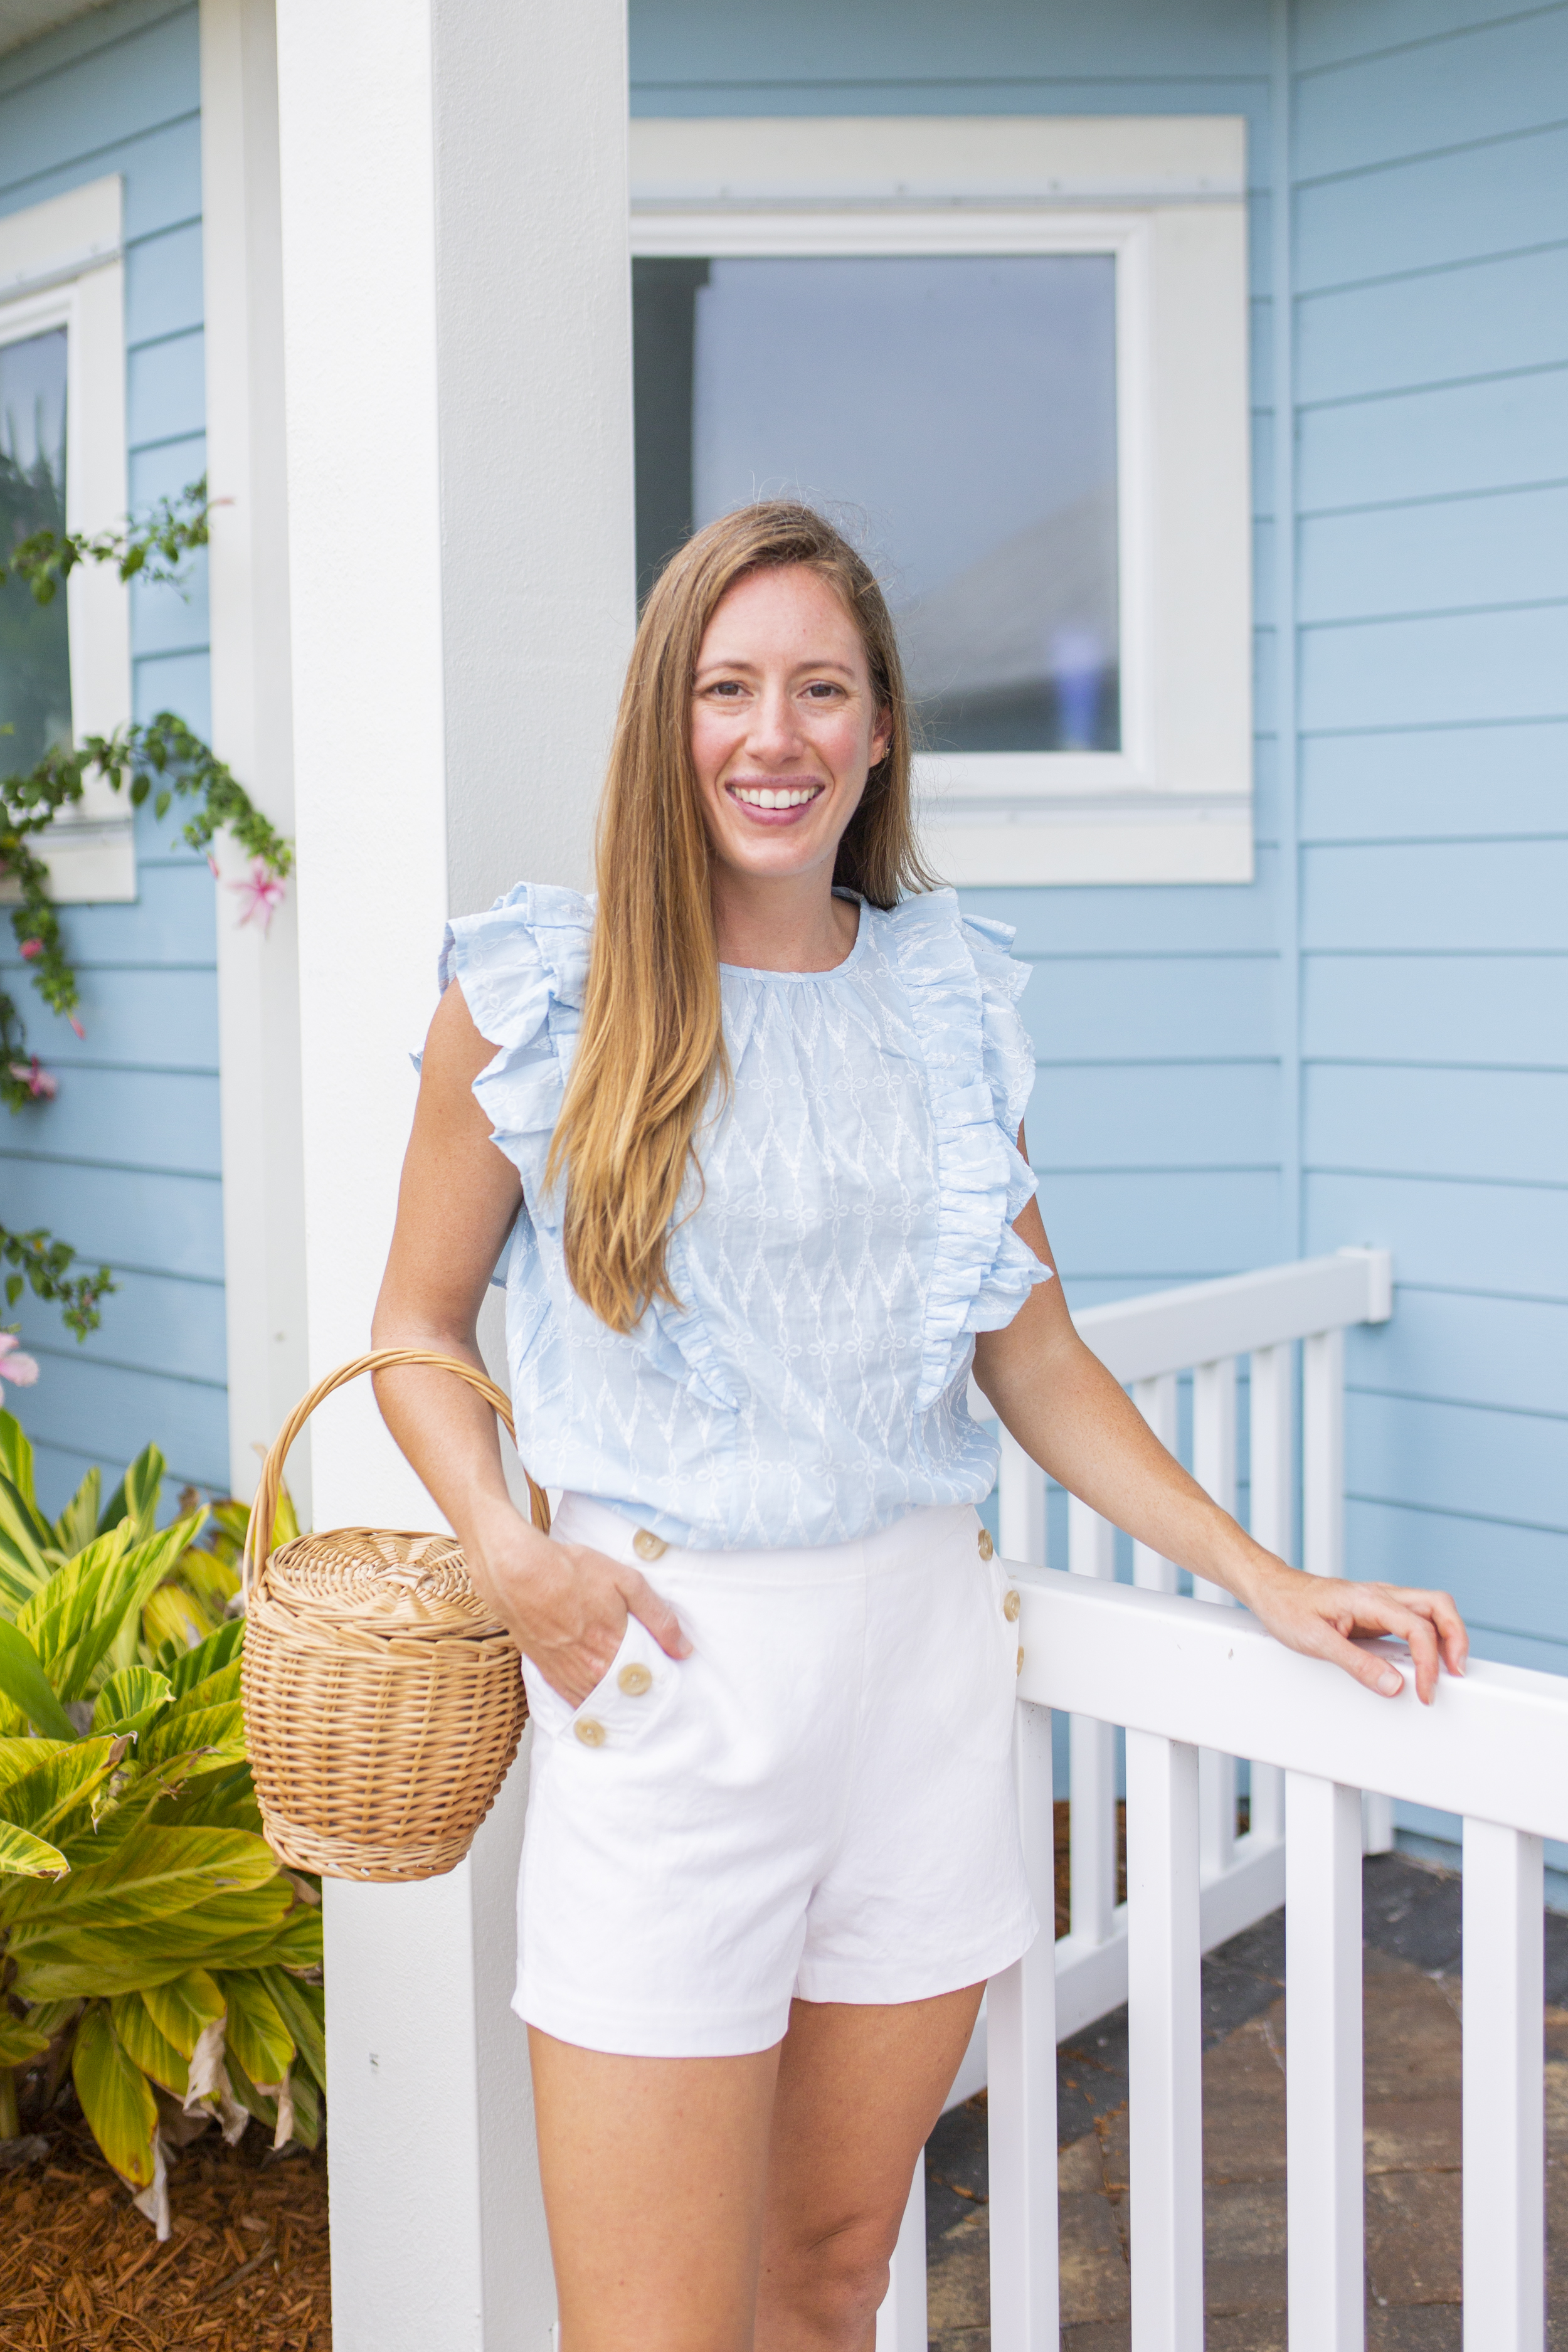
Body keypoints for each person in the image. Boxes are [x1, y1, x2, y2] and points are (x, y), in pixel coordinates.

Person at [371, 501, 1468, 2352]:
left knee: (828, 2282)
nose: (771, 735)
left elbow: (1025, 1351)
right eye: (727, 689)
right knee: (650, 2330)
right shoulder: (536, 998)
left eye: (819, 688)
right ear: (667, 721)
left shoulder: (940, 998)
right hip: (665, 1685)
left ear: (880, 730)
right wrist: (511, 1553)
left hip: (921, 1686)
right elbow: (412, 1329)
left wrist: (1257, 1575)